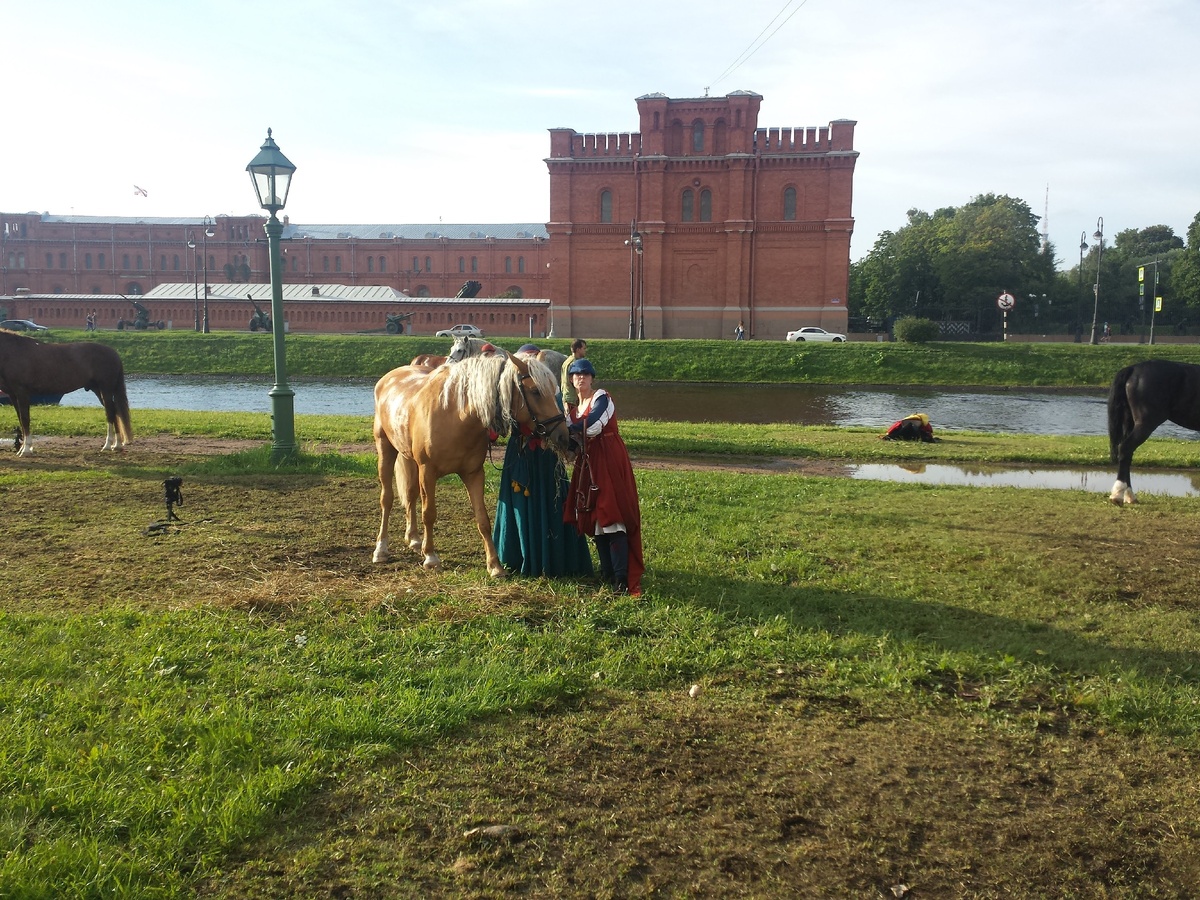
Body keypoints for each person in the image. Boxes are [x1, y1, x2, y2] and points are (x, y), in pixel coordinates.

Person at [492, 345, 594, 578]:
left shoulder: (548, 386)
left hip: (545, 455)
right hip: (521, 454)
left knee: (552, 499)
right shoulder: (512, 389)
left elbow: (557, 417)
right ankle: (519, 555)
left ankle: (553, 558)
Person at [564, 357, 644, 595]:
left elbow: (595, 424)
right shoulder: (572, 409)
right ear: (570, 380)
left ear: (592, 378)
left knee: (612, 514)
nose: (581, 378)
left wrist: (566, 431)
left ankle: (621, 577)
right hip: (587, 462)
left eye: (585, 375)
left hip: (608, 457)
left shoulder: (602, 398)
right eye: (577, 375)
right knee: (595, 514)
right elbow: (574, 440)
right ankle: (607, 572)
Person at [560, 338, 588, 417]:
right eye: (584, 348)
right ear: (578, 349)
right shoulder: (575, 364)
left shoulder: (567, 361)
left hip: (566, 397)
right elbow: (575, 383)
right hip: (572, 399)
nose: (585, 351)